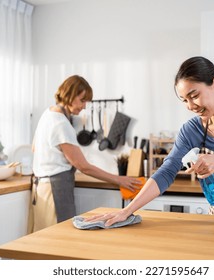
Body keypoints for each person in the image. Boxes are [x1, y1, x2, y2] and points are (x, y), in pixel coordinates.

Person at [86, 56, 214, 226]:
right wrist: (126, 211)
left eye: (194, 95)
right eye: (184, 100)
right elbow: (167, 171)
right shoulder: (192, 129)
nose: (190, 106)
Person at [29, 75, 141, 232]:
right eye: (82, 100)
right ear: (70, 94)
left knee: (43, 240)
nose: (84, 107)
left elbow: (35, 147)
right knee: (58, 239)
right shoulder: (61, 123)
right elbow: (83, 167)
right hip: (55, 189)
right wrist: (119, 180)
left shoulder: (47, 114)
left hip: (41, 188)